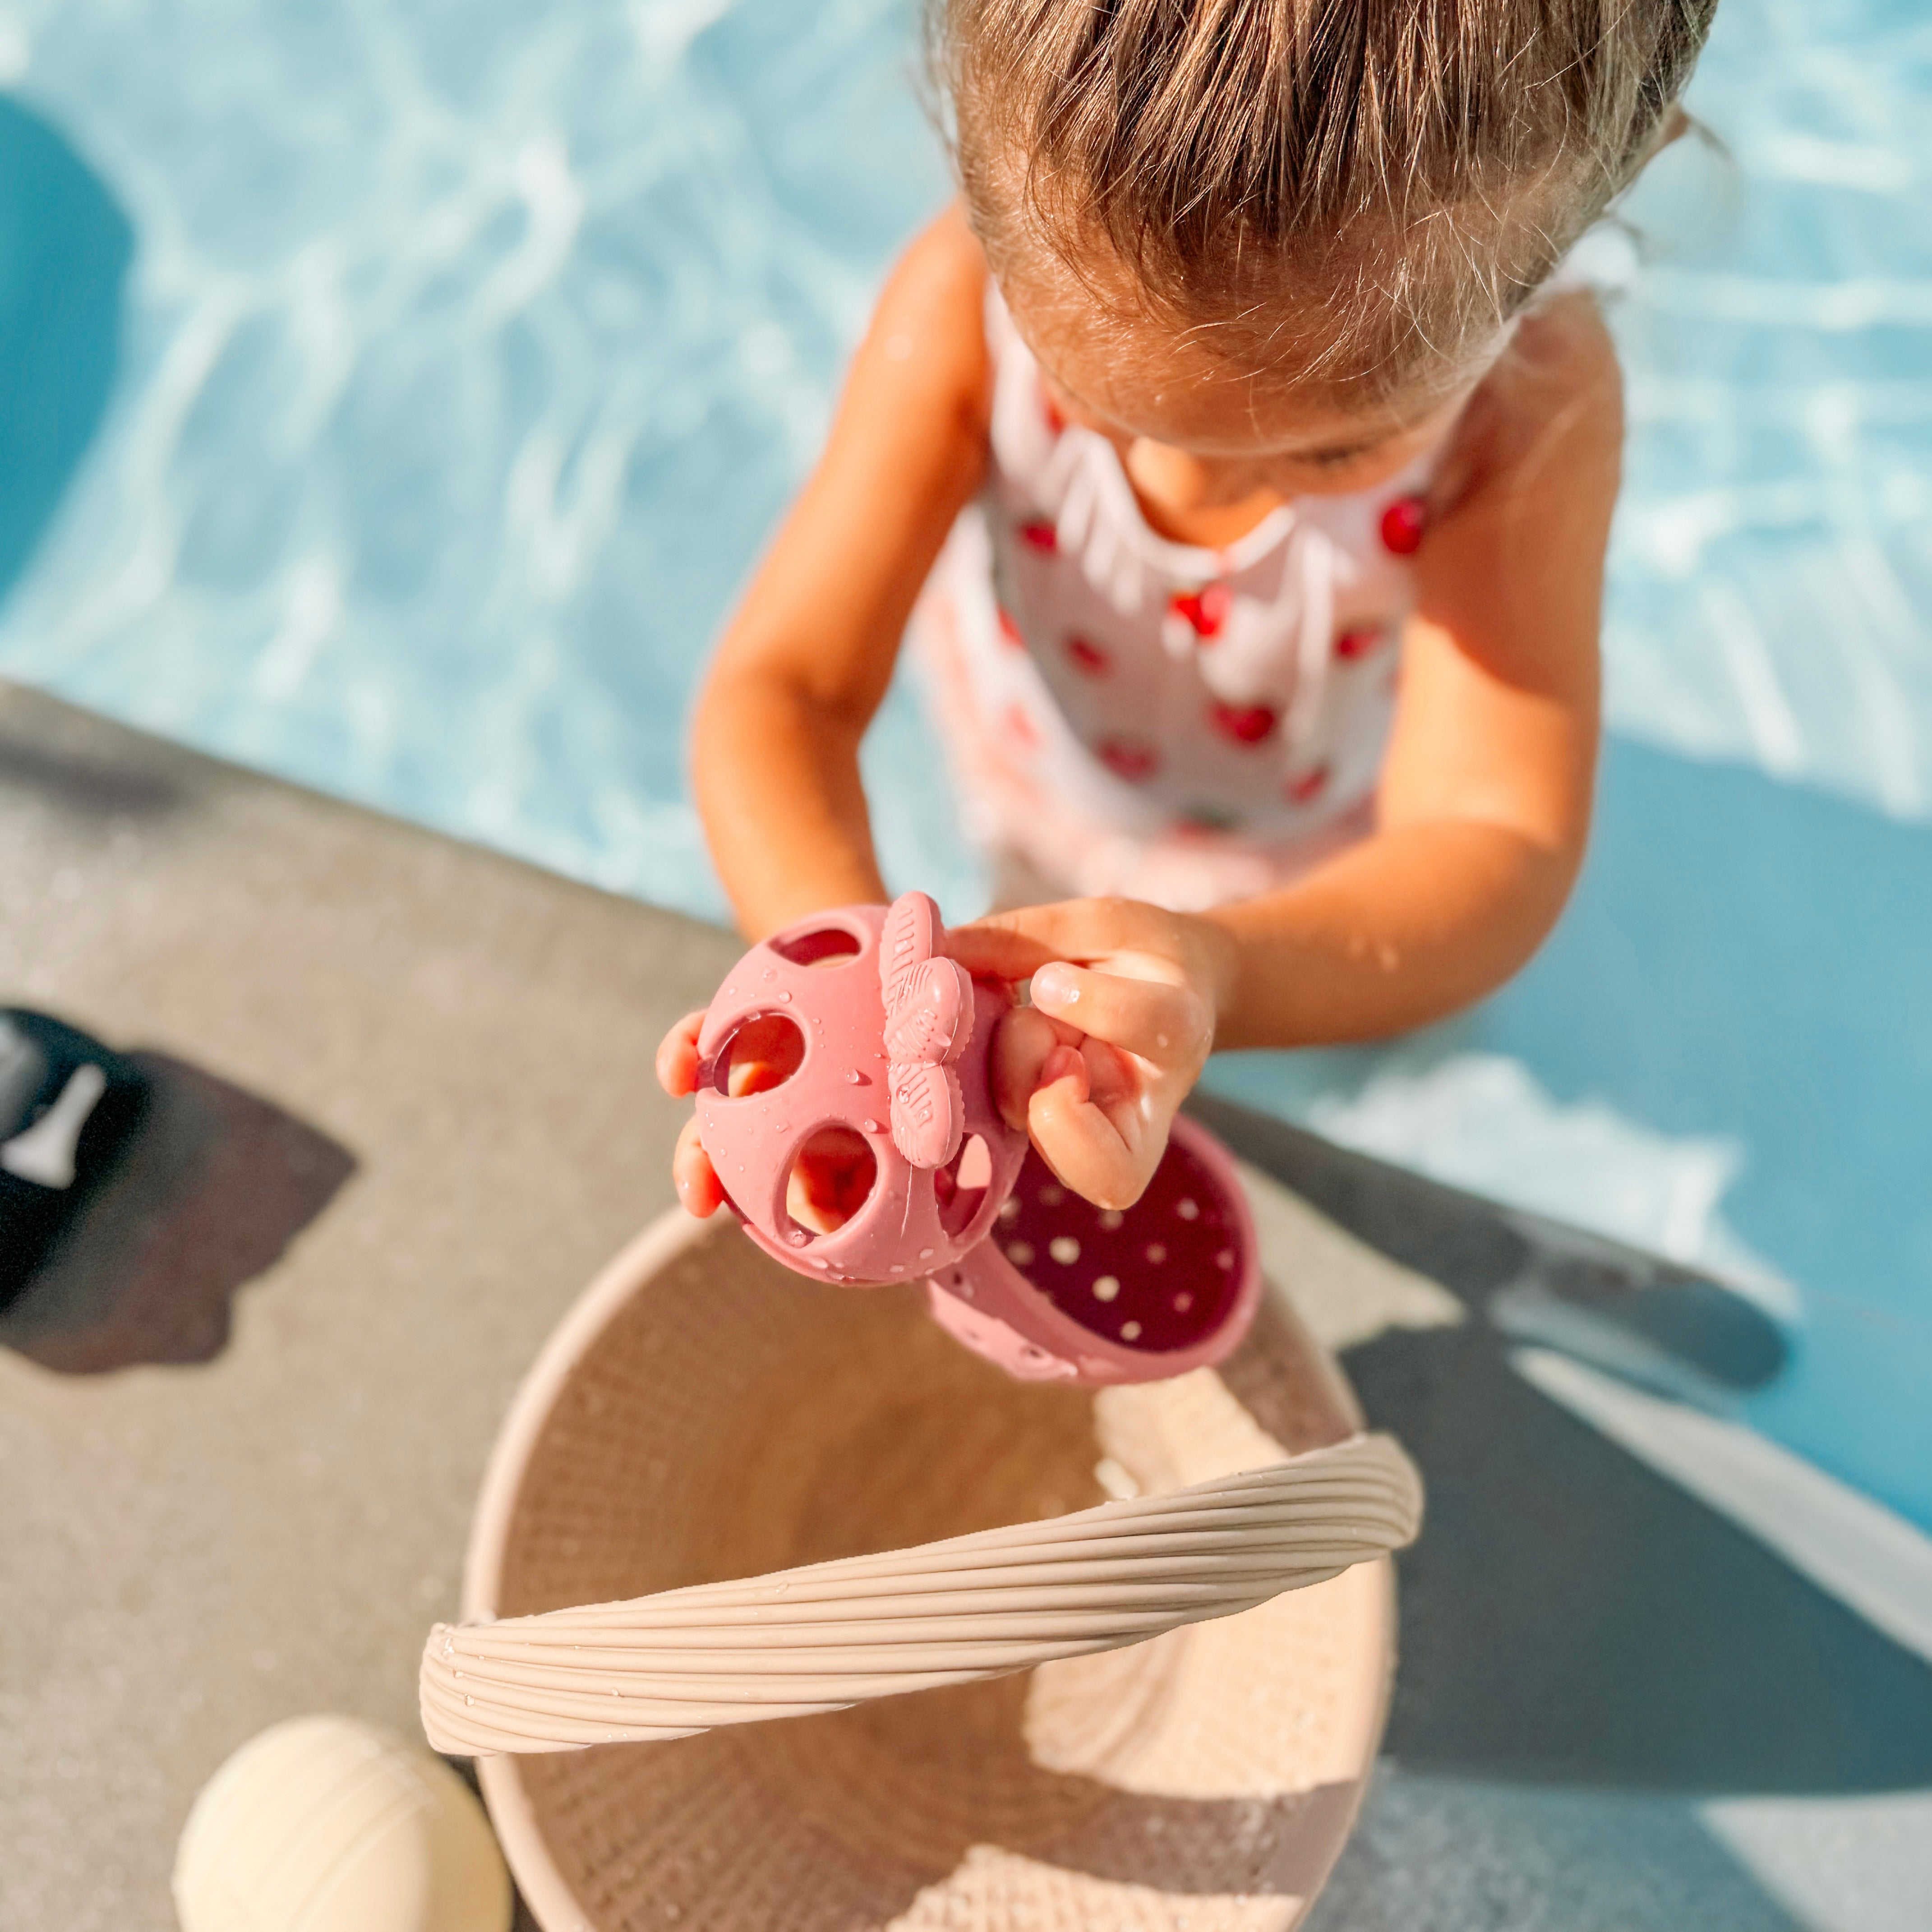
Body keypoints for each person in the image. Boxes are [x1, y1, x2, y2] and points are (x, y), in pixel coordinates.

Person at [659, 0, 1717, 1217]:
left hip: (1324, 866)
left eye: (1328, 455)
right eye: (1094, 399)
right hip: (1040, 774)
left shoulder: (1526, 409)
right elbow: (783, 694)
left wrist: (1222, 973)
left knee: (1349, 1057)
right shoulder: (960, 299)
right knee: (1027, 941)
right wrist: (857, 999)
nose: (1184, 483)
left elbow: (1489, 842)